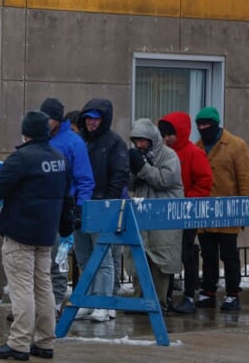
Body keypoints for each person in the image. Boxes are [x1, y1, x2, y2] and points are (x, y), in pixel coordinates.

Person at [0, 111, 72, 361]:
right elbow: (67, 198)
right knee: (43, 286)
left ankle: (19, 343)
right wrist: (66, 229)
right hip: (46, 234)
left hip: (20, 233)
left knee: (21, 288)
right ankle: (45, 341)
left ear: (26, 133)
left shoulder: (21, 158)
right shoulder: (59, 159)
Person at [194, 107, 249, 311]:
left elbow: (245, 179)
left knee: (229, 256)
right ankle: (208, 292)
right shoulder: (198, 146)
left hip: (229, 210)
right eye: (199, 125)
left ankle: (232, 294)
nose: (202, 128)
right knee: (208, 255)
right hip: (205, 211)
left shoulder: (237, 145)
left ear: (215, 124)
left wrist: (244, 209)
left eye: (206, 124)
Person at [75, 98, 129, 322]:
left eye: (96, 119)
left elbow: (120, 175)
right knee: (84, 256)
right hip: (81, 206)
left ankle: (104, 302)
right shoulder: (80, 142)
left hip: (102, 205)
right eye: (88, 118)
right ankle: (88, 300)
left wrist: (108, 203)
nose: (91, 123)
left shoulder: (114, 143)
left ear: (103, 120)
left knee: (104, 257)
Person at [41, 98, 95, 315]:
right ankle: (41, 303)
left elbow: (85, 179)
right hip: (41, 208)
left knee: (58, 260)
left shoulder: (73, 142)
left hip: (63, 209)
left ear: (58, 119)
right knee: (41, 260)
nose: (47, 123)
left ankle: (54, 303)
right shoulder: (43, 140)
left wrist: (79, 207)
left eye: (50, 119)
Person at [126, 118, 184, 309]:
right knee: (138, 256)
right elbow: (130, 185)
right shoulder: (138, 156)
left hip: (163, 217)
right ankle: (138, 301)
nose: (139, 145)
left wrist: (142, 169)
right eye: (136, 141)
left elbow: (164, 180)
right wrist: (131, 170)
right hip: (143, 214)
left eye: (143, 141)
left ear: (152, 139)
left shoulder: (169, 156)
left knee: (160, 261)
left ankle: (158, 302)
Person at [159, 112, 213, 313]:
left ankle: (189, 295)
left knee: (186, 253)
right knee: (168, 255)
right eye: (163, 135)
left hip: (187, 212)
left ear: (179, 133)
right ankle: (167, 295)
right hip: (169, 212)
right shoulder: (164, 153)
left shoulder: (193, 153)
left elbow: (204, 182)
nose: (166, 139)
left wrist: (186, 201)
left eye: (170, 135)